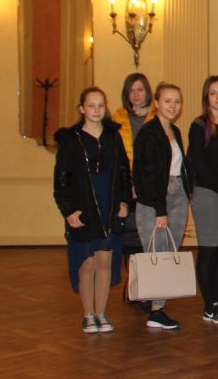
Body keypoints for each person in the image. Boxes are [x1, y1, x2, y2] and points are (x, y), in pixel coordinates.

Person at [53, 87, 131, 333]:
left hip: (109, 204)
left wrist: (124, 201)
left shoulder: (113, 136)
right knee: (87, 262)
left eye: (100, 105)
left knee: (104, 260)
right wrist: (69, 210)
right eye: (91, 105)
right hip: (84, 205)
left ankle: (101, 313)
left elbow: (123, 172)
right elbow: (62, 179)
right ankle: (88, 314)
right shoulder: (71, 139)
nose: (97, 110)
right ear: (82, 109)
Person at [134, 82, 194, 330]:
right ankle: (156, 310)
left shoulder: (175, 131)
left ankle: (157, 305)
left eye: (177, 101)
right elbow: (145, 174)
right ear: (157, 103)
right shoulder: (148, 133)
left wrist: (187, 192)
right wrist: (160, 210)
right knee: (156, 253)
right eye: (167, 100)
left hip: (178, 194)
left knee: (170, 250)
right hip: (155, 199)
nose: (173, 105)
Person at [187, 75, 218, 325]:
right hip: (207, 192)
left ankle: (215, 299)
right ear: (206, 97)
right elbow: (199, 163)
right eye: (213, 92)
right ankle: (209, 305)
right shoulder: (199, 125)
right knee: (209, 248)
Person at [110, 72, 154, 256]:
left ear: (147, 91)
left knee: (150, 241)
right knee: (129, 242)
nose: (136, 95)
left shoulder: (159, 117)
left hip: (151, 187)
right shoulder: (116, 119)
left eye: (140, 90)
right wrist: (128, 185)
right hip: (125, 187)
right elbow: (114, 158)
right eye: (131, 90)